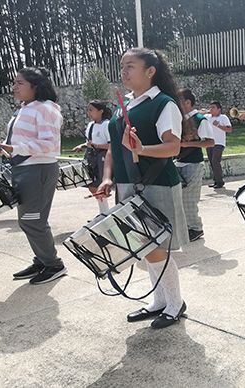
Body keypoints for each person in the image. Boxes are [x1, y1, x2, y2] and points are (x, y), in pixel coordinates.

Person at [95, 47, 189, 329]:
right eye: (122, 66)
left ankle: (175, 303)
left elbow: (174, 146)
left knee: (156, 248)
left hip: (156, 183)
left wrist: (143, 148)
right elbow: (113, 148)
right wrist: (107, 177)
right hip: (126, 185)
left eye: (130, 66)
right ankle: (159, 301)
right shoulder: (124, 105)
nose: (123, 71)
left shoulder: (163, 104)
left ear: (150, 71)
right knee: (143, 246)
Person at [0, 67, 67, 284]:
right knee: (29, 219)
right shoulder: (24, 108)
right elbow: (19, 141)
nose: (14, 87)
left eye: (20, 83)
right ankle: (42, 259)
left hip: (37, 169)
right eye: (14, 83)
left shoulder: (46, 108)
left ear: (35, 86)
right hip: (25, 168)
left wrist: (11, 148)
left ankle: (53, 264)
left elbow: (49, 144)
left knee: (32, 220)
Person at [175, 88, 214, 242]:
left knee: (189, 198)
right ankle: (186, 227)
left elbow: (210, 142)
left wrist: (186, 144)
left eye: (179, 101)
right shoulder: (180, 119)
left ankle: (195, 228)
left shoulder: (200, 119)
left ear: (187, 102)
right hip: (179, 162)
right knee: (180, 198)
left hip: (193, 163)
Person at [72, 100, 112, 214]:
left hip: (102, 157)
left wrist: (97, 145)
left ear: (101, 111)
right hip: (91, 156)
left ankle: (105, 212)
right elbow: (89, 142)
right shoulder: (90, 125)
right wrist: (82, 146)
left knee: (100, 184)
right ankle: (103, 211)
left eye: (91, 110)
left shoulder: (107, 125)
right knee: (91, 184)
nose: (88, 113)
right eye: (88, 110)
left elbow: (112, 145)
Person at [205, 101, 232, 188]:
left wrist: (219, 126)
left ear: (219, 109)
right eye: (210, 107)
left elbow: (229, 130)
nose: (211, 109)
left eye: (213, 107)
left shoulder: (223, 117)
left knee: (215, 161)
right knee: (212, 162)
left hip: (219, 143)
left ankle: (220, 181)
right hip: (209, 142)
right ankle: (216, 181)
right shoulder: (207, 117)